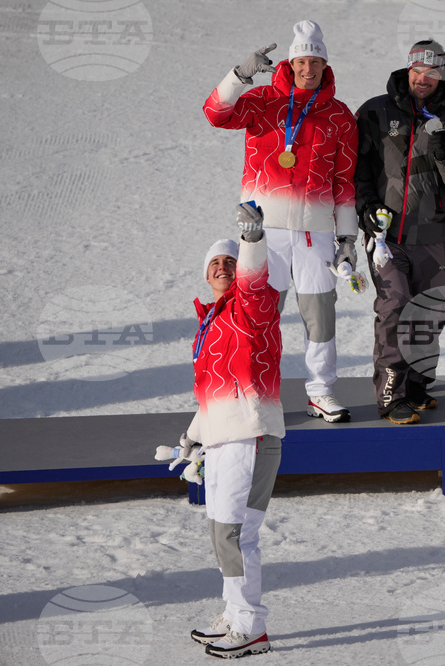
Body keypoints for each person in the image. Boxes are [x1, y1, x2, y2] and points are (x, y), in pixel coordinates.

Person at [203, 20, 358, 423]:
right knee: (256, 315)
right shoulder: (263, 101)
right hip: (262, 232)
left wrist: (346, 238)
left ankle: (321, 392)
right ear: (290, 63)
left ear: (325, 64)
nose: (309, 69)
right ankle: (254, 392)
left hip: (315, 234)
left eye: (316, 61)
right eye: (302, 61)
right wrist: (239, 76)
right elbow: (215, 114)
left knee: (320, 318)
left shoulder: (339, 116)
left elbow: (344, 181)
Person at [354, 40, 445, 424]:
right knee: (394, 307)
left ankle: (417, 384)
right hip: (387, 236)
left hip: (435, 234)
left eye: (432, 74)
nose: (423, 80)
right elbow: (358, 170)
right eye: (417, 72)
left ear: (441, 76)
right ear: (407, 69)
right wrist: (366, 210)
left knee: (428, 313)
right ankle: (391, 394)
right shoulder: (376, 111)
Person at [183, 203, 282, 658]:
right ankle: (233, 614)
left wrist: (252, 240)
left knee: (236, 534)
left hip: (251, 434)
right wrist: (192, 436)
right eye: (214, 262)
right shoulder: (208, 324)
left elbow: (256, 280)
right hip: (223, 437)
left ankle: (250, 626)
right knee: (221, 532)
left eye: (229, 260)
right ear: (206, 276)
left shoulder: (251, 309)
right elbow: (210, 393)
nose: (223, 266)